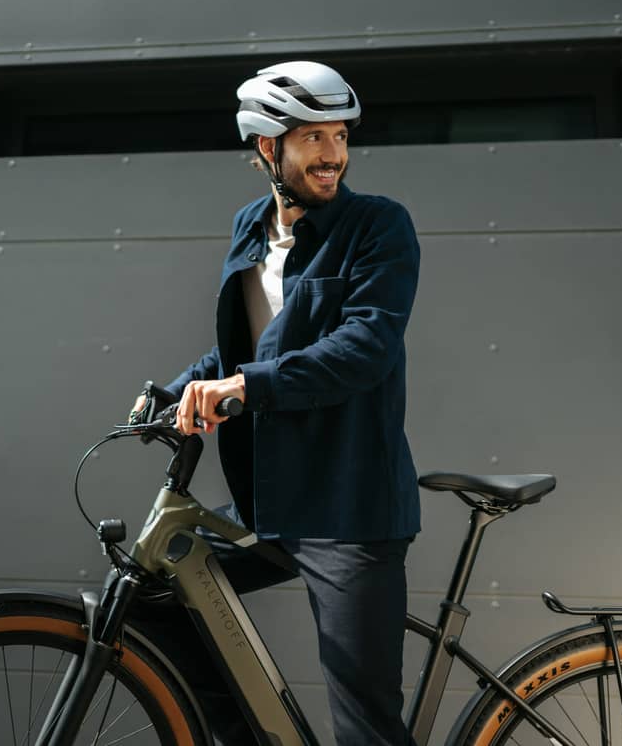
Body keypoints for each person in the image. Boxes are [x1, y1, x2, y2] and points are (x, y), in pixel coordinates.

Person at [155, 60, 421, 745]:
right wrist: (181, 388)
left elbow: (364, 347)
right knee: (165, 596)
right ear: (267, 147)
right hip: (269, 503)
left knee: (365, 723)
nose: (334, 153)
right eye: (313, 138)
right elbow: (250, 346)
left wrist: (242, 388)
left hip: (350, 508)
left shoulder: (378, 226)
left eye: (339, 135)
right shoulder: (250, 226)